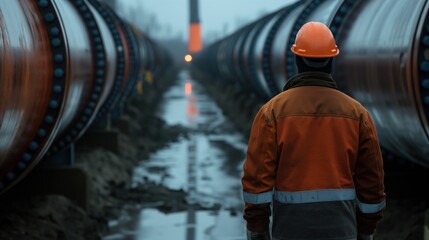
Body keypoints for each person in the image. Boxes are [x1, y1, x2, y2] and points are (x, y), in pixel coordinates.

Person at [241, 21, 386, 240]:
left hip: (290, 229)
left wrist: (258, 229)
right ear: (331, 60)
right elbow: (372, 182)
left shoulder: (272, 112)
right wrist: (366, 230)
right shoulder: (357, 114)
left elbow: (257, 180)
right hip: (342, 229)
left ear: (297, 59)